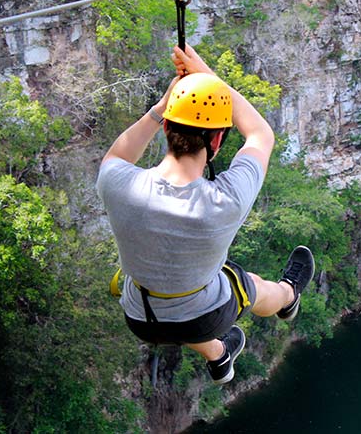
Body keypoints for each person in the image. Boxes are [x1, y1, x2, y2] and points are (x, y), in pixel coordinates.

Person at [96, 44, 315, 385]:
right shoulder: (224, 201)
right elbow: (260, 134)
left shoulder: (117, 184)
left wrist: (161, 107)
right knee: (251, 285)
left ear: (167, 127)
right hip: (204, 317)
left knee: (179, 295)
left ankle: (219, 355)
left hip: (139, 316)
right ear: (215, 144)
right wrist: (207, 76)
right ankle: (289, 296)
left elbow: (118, 153)